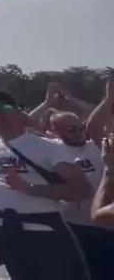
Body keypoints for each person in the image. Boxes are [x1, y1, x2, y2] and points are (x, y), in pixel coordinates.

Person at [0, 91, 91, 280]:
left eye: (6, 108)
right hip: (8, 232)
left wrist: (30, 188)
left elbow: (82, 189)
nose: (0, 114)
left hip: (45, 232)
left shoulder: (49, 147)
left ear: (19, 112)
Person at [48, 109, 112, 279]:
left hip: (105, 225)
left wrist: (108, 97)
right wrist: (47, 103)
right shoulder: (51, 150)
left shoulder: (96, 146)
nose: (78, 133)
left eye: (80, 128)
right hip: (74, 226)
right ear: (55, 130)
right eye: (70, 129)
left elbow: (95, 123)